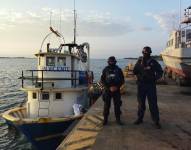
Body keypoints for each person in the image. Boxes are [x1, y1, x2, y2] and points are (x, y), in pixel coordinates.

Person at [133, 46, 163, 129]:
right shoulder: (139, 61)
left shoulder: (153, 62)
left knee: (153, 103)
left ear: (150, 53)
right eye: (144, 52)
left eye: (147, 52)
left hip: (151, 85)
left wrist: (154, 78)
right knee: (141, 103)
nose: (145, 54)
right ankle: (140, 118)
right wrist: (139, 72)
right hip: (141, 85)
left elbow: (160, 72)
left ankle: (156, 121)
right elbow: (134, 71)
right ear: (142, 53)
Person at [101, 56, 125, 125]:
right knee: (106, 105)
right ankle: (105, 119)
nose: (111, 62)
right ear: (108, 62)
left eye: (113, 61)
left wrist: (117, 87)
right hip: (107, 91)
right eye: (110, 61)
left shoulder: (119, 69)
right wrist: (108, 88)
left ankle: (118, 119)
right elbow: (102, 80)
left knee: (117, 105)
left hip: (116, 91)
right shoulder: (105, 69)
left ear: (115, 62)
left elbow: (122, 80)